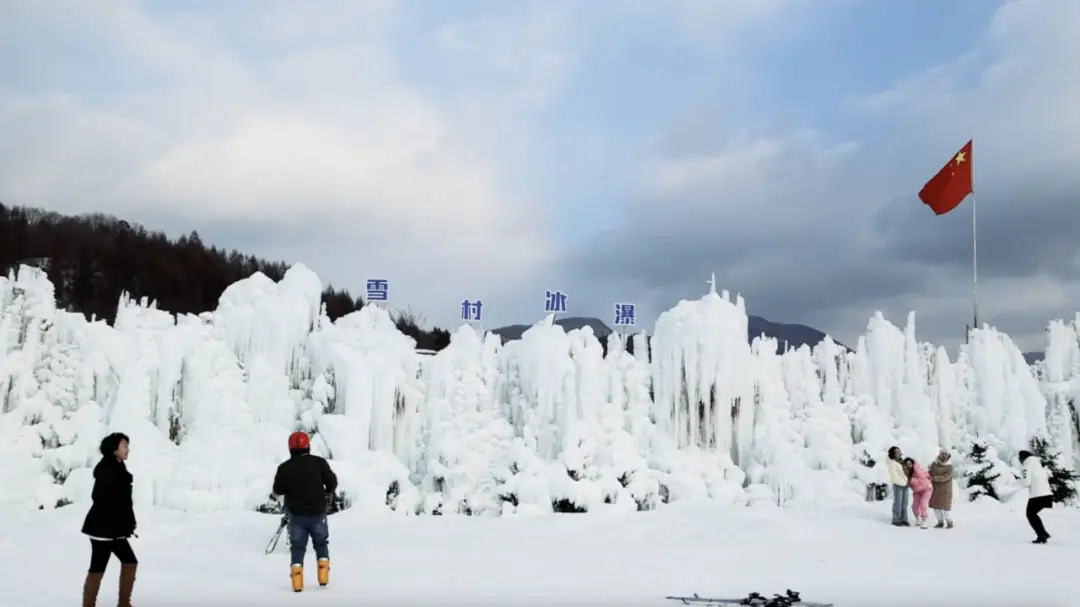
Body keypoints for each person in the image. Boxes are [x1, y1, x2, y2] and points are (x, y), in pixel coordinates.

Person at [272, 431, 339, 592]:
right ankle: (323, 578)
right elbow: (332, 482)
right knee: (321, 543)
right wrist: (328, 491)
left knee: (297, 547)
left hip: (296, 515)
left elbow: (277, 490)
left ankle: (297, 582)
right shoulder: (319, 463)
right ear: (307, 446)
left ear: (290, 448)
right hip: (318, 512)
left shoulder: (284, 468)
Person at [80, 432, 138, 607]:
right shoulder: (109, 470)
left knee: (115, 564)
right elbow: (104, 499)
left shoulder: (116, 468)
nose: (127, 450)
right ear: (114, 450)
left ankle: (121, 604)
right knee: (116, 564)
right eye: (124, 446)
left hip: (108, 530)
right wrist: (121, 523)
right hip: (105, 530)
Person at [1018, 449, 1053, 544]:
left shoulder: (1027, 466)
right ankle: (1043, 534)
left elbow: (1026, 483)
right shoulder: (1038, 465)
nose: (1019, 462)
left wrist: (1019, 480)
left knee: (1030, 514)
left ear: (1023, 458)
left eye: (1019, 459)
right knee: (1032, 514)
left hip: (1037, 495)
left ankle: (1042, 535)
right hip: (1047, 494)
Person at [928, 449, 954, 529]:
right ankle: (940, 522)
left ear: (948, 456)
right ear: (939, 454)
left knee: (946, 509)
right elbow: (930, 472)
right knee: (936, 508)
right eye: (942, 454)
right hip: (935, 490)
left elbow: (945, 477)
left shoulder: (949, 466)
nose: (944, 456)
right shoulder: (934, 464)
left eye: (945, 454)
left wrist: (934, 478)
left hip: (945, 491)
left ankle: (949, 522)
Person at [905, 457, 932, 528]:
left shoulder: (918, 469)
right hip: (917, 491)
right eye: (907, 464)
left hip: (926, 489)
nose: (909, 465)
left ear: (912, 463)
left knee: (923, 504)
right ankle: (917, 519)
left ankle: (924, 519)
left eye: (910, 463)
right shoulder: (907, 472)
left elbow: (922, 479)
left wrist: (911, 480)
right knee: (914, 506)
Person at [887, 446, 910, 526]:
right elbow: (894, 476)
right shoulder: (892, 463)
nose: (899, 453)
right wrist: (904, 482)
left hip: (905, 484)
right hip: (898, 484)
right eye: (896, 452)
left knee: (905, 502)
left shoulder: (902, 462)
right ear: (893, 453)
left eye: (899, 451)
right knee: (898, 502)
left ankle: (904, 518)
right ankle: (896, 519)